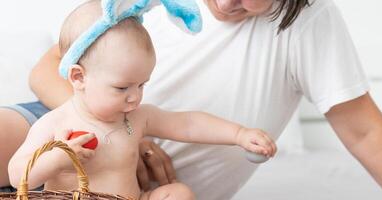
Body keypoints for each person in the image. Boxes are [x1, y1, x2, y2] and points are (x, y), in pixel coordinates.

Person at [1, 0, 382, 199]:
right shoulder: (126, 14)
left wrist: (238, 134)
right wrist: (98, 129)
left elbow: (364, 130)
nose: (224, 2)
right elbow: (49, 68)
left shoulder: (309, 23)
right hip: (63, 124)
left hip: (136, 181)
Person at [7, 1, 276, 200]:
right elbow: (17, 175)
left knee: (179, 194)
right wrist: (55, 159)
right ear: (78, 78)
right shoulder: (55, 123)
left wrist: (239, 134)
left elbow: (187, 123)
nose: (135, 97)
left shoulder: (135, 119)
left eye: (142, 85)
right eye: (122, 87)